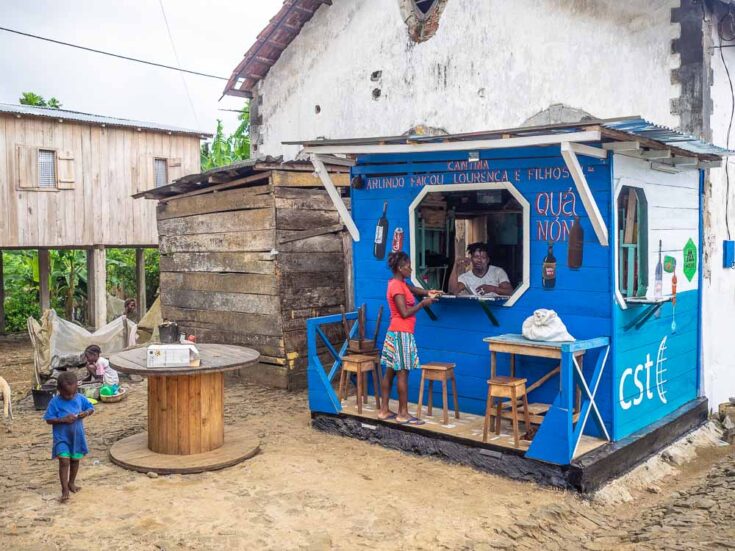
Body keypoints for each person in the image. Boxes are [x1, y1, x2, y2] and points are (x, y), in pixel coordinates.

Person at [378, 251, 440, 425]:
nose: (411, 269)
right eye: (408, 266)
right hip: (401, 333)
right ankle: (403, 414)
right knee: (402, 373)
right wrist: (423, 303)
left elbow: (414, 289)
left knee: (390, 371)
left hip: (396, 332)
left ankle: (384, 410)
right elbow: (404, 313)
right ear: (400, 268)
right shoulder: (397, 287)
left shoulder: (400, 283)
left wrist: (428, 291)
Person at [43, 371, 94, 502]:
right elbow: (49, 419)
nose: (71, 396)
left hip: (77, 437)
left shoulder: (80, 398)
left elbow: (91, 408)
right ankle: (64, 488)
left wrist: (86, 413)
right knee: (64, 461)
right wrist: (63, 419)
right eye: (67, 394)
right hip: (62, 438)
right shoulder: (55, 402)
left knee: (75, 460)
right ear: (59, 390)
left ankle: (71, 482)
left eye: (73, 393)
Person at [448, 242, 513, 297]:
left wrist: (492, 289)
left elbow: (510, 292)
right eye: (476, 257)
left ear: (488, 260)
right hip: (476, 310)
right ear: (471, 259)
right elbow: (452, 292)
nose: (479, 260)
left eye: (483, 257)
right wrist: (455, 266)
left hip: (496, 309)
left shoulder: (498, 272)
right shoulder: (465, 277)